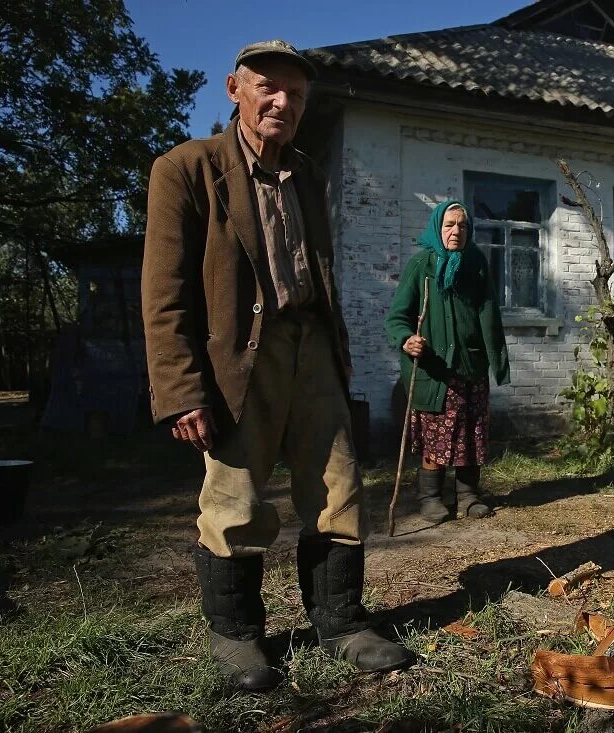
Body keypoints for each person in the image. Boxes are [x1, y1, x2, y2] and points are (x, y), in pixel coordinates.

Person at [142, 40, 413, 692]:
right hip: (238, 355)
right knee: (234, 498)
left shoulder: (309, 174)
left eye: (295, 92)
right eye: (268, 87)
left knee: (339, 488)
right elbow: (164, 289)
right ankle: (237, 637)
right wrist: (181, 390)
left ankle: (342, 622)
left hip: (312, 344)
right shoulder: (185, 169)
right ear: (234, 88)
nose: (283, 102)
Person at [385, 201, 510, 524]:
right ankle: (430, 497)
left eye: (463, 226)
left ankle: (468, 496)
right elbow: (398, 316)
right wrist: (405, 339)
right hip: (435, 369)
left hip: (470, 366)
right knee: (436, 434)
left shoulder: (476, 263)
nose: (456, 231)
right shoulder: (421, 265)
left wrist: (495, 359)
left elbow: (488, 312)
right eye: (450, 225)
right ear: (437, 228)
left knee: (473, 432)